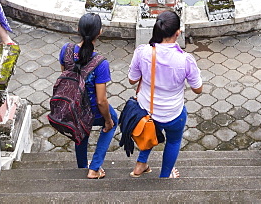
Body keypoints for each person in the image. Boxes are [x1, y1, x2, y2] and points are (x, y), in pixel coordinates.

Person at [128, 11, 203, 178]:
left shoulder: (142, 52)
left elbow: (132, 80)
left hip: (147, 110)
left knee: (150, 131)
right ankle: (165, 176)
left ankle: (140, 165)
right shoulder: (186, 60)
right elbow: (198, 89)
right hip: (173, 113)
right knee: (174, 141)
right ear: (178, 32)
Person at [61, 13, 117, 179]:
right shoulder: (100, 63)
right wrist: (107, 121)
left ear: (78, 29)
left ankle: (81, 167)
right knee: (113, 120)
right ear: (99, 32)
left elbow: (65, 77)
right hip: (92, 110)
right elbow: (101, 101)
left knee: (81, 132)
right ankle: (94, 167)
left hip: (72, 107)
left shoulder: (66, 50)